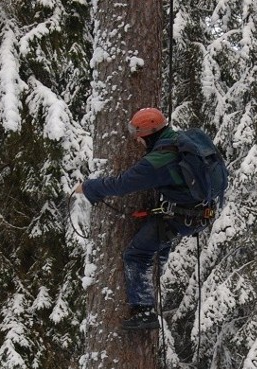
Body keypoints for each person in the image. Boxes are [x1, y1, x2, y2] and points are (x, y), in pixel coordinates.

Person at [74, 107, 214, 330]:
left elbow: (122, 184)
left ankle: (144, 311)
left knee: (136, 254)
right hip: (196, 212)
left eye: (139, 137)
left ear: (148, 135)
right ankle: (154, 269)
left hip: (180, 216)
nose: (138, 142)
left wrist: (88, 187)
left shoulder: (158, 160)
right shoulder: (179, 140)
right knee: (156, 246)